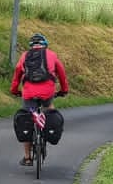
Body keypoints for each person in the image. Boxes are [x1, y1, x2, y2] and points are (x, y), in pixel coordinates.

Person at [9, 33, 68, 166]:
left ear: (31, 46)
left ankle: (27, 158)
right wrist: (64, 90)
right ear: (45, 45)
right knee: (49, 109)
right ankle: (48, 132)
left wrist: (14, 90)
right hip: (47, 92)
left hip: (29, 93)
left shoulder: (25, 56)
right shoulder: (52, 55)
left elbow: (17, 73)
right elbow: (61, 73)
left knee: (27, 119)